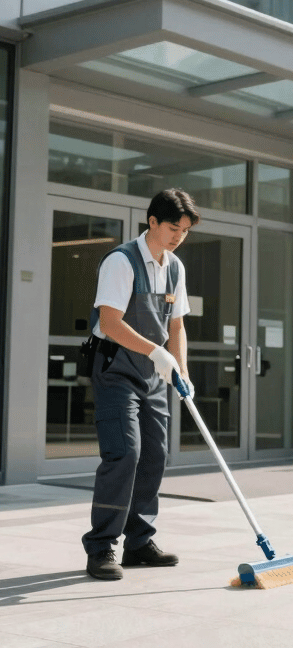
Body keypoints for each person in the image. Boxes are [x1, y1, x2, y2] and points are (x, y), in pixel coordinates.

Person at [82, 189, 199, 581]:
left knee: (154, 455)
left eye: (184, 230)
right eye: (172, 227)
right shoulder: (121, 260)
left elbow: (177, 325)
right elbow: (112, 323)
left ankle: (139, 542)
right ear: (152, 222)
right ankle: (102, 547)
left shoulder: (176, 268)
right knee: (125, 454)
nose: (178, 236)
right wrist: (157, 353)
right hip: (116, 370)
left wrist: (180, 369)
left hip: (152, 374)